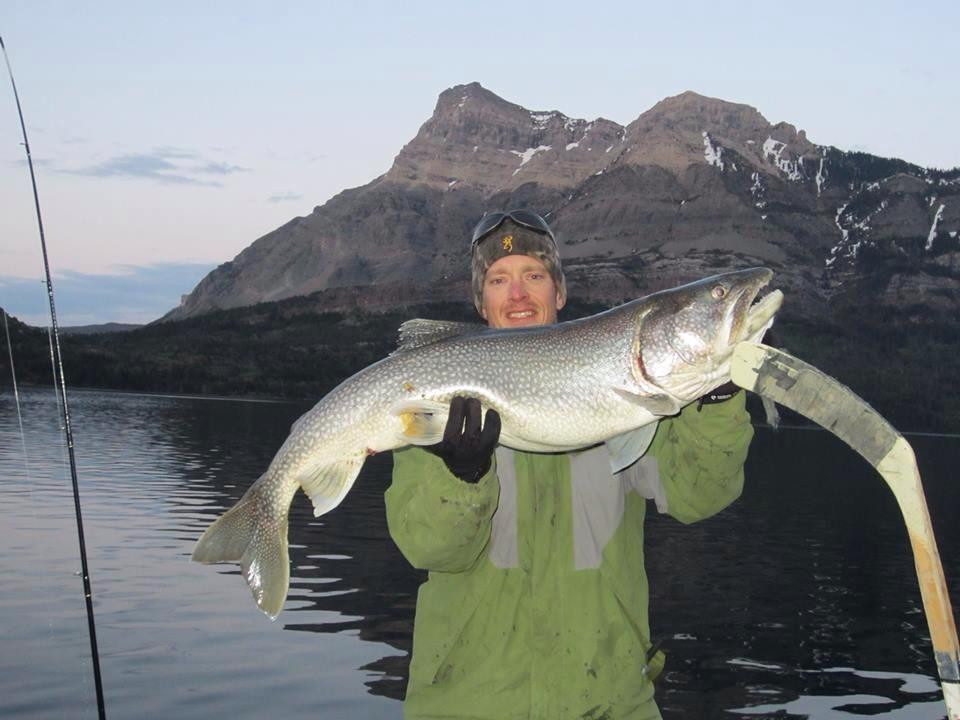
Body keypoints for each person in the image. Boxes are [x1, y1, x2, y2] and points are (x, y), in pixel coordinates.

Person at [385, 210, 754, 720]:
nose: (517, 295)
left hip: (610, 701)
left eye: (533, 276)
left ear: (559, 293)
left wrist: (718, 403)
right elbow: (428, 547)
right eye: (499, 280)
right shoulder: (437, 408)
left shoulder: (640, 400)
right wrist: (461, 477)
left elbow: (699, 497)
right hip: (467, 703)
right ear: (480, 302)